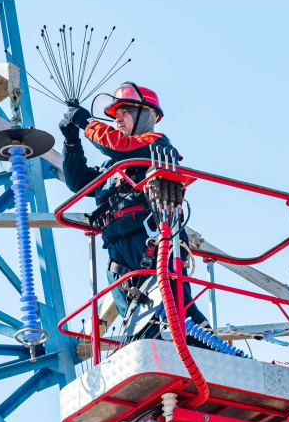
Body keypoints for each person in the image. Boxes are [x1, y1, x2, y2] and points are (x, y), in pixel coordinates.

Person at [59, 82, 210, 342]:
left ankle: (205, 346)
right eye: (115, 115)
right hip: (119, 258)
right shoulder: (113, 165)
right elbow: (78, 182)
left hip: (154, 243)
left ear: (148, 115)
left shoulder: (156, 145)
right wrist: (72, 142)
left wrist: (86, 123)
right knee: (138, 326)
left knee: (177, 315)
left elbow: (120, 147)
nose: (118, 118)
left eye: (125, 112)